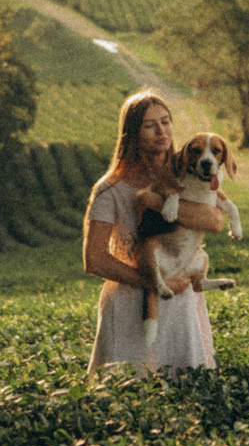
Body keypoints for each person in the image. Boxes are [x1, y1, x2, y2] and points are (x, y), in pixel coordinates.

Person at [83, 90, 226, 373]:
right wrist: (152, 282)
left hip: (181, 303)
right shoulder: (110, 189)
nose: (161, 131)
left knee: (187, 387)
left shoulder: (190, 176)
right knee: (127, 388)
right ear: (132, 135)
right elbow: (94, 260)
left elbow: (214, 222)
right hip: (129, 303)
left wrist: (156, 201)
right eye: (149, 125)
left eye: (166, 122)